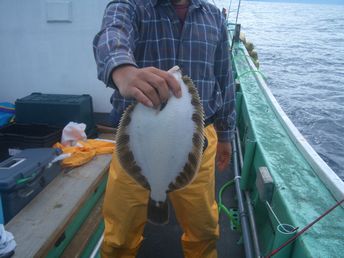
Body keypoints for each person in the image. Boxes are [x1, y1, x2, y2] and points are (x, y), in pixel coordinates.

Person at [93, 0, 236, 257]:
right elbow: (112, 34)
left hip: (198, 143)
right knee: (119, 236)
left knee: (204, 230)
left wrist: (226, 133)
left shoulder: (214, 16)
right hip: (138, 143)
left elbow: (224, 76)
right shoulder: (131, 5)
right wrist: (124, 71)